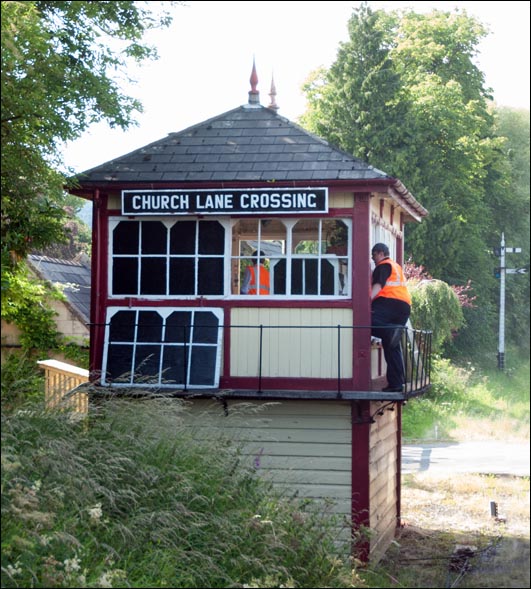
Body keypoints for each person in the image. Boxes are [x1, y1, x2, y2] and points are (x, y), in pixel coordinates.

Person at [371, 243, 411, 392]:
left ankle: (389, 330)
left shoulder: (383, 266)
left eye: (373, 255)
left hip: (388, 303)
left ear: (381, 253)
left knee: (363, 320)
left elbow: (378, 286)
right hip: (404, 307)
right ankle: (396, 384)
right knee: (392, 346)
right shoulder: (396, 267)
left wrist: (365, 302)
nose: (373, 258)